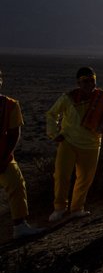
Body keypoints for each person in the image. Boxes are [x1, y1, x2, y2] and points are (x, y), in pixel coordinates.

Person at [46, 66, 103, 222]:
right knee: (61, 175)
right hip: (68, 142)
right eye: (85, 81)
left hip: (91, 145)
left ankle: (77, 208)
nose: (89, 84)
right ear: (78, 83)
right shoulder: (68, 98)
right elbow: (52, 114)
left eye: (92, 80)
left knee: (85, 179)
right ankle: (59, 208)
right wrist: (54, 134)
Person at [0, 69, 44, 239]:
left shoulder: (10, 105)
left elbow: (14, 133)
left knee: (17, 185)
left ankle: (19, 226)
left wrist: (4, 158)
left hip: (3, 158)